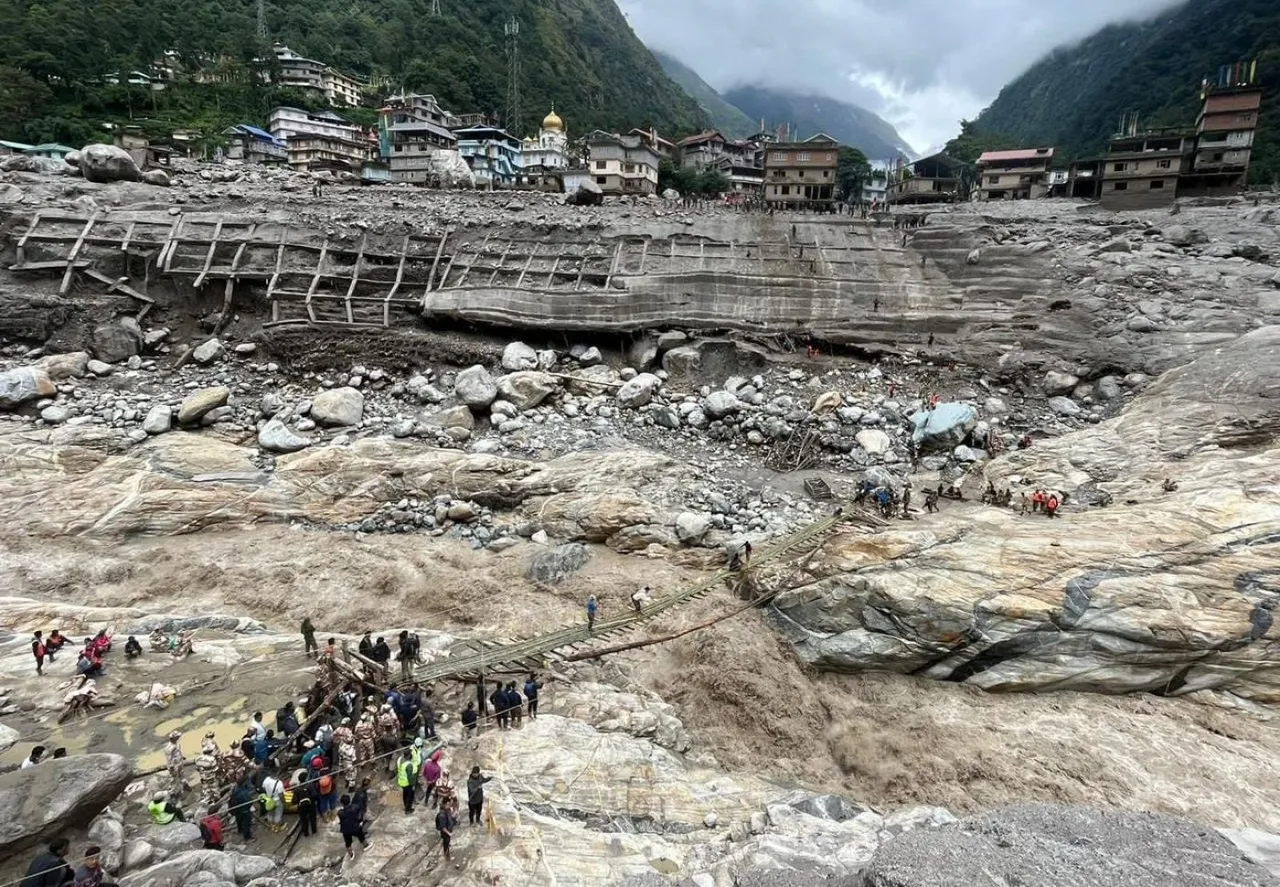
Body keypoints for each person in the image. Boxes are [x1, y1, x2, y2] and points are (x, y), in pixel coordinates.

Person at [338, 794, 370, 859]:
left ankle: (351, 855)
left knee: (348, 843)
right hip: (355, 827)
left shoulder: (340, 812)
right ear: (349, 801)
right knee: (361, 836)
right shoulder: (355, 807)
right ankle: (366, 846)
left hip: (345, 830)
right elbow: (360, 815)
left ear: (342, 803)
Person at [260, 767, 285, 832]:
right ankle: (277, 828)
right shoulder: (279, 783)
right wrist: (283, 801)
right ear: (277, 774)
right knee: (278, 814)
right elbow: (281, 795)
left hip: (269, 800)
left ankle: (272, 826)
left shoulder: (266, 779)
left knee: (270, 813)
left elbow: (263, 788)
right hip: (277, 801)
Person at [230, 777, 255, 841]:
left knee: (239, 820)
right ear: (243, 783)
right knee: (246, 824)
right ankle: (247, 837)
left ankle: (240, 830)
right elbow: (249, 801)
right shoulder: (243, 793)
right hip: (244, 810)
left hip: (237, 809)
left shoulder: (235, 789)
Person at [295, 773, 319, 838]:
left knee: (303, 820)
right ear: (306, 778)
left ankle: (306, 833)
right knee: (312, 818)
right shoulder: (309, 785)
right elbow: (315, 795)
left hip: (301, 807)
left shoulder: (297, 788)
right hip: (310, 804)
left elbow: (294, 800)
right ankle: (314, 831)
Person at [396, 749, 416, 814]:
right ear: (408, 756)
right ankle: (408, 810)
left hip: (401, 782)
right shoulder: (409, 765)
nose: (412, 755)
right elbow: (410, 777)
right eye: (410, 754)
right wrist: (412, 785)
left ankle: (405, 806)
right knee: (410, 796)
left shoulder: (402, 762)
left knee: (405, 794)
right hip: (407, 783)